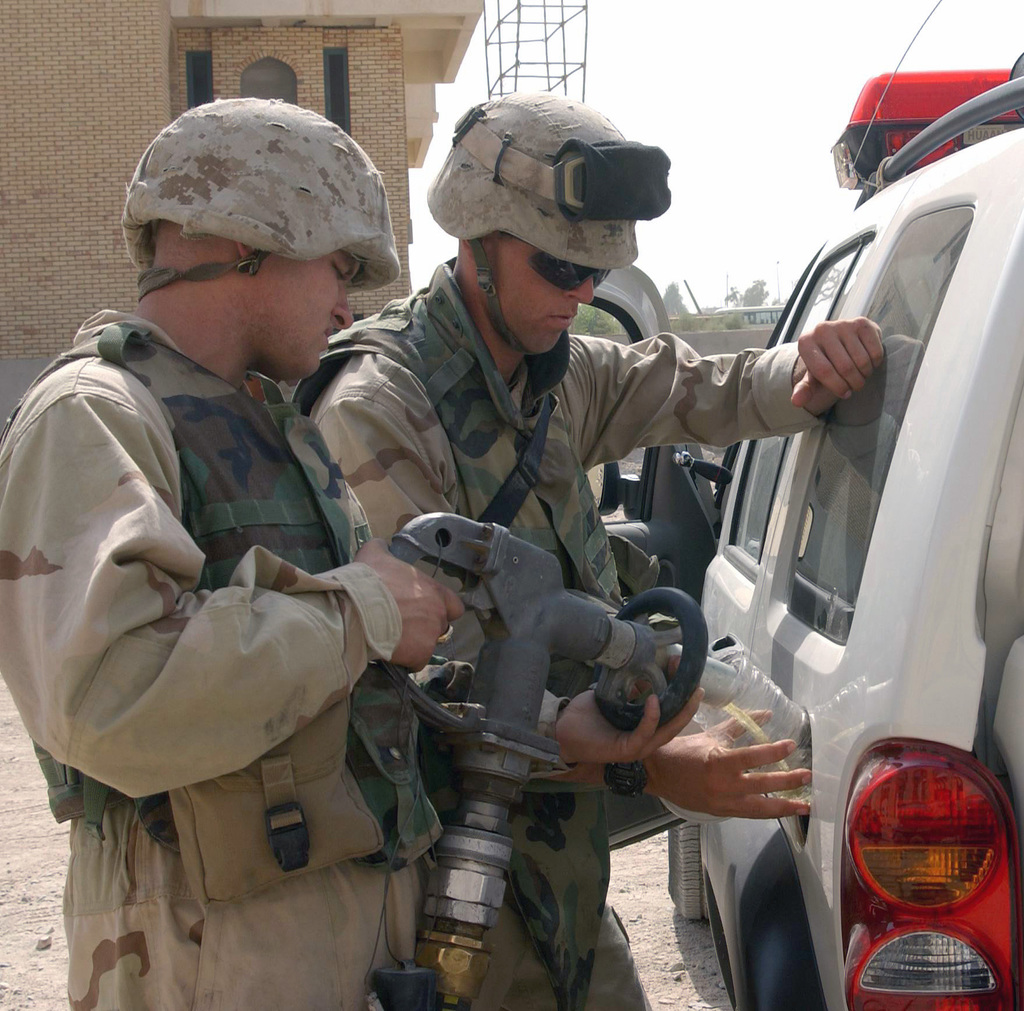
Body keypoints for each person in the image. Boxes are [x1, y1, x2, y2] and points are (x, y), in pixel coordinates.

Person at [0, 98, 693, 1011]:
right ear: (250, 241)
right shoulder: (98, 416)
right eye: (337, 263)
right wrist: (365, 606)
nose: (348, 297)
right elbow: (110, 694)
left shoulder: (274, 428)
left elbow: (349, 694)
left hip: (344, 944)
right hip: (215, 962)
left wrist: (537, 723)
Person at [301, 92, 884, 1011]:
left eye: (596, 272)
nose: (580, 293)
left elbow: (694, 388)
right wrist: (646, 765)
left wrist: (810, 370)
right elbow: (410, 689)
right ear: (477, 241)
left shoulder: (557, 374)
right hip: (454, 897)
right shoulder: (381, 407)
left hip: (559, 880)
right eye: (562, 265)